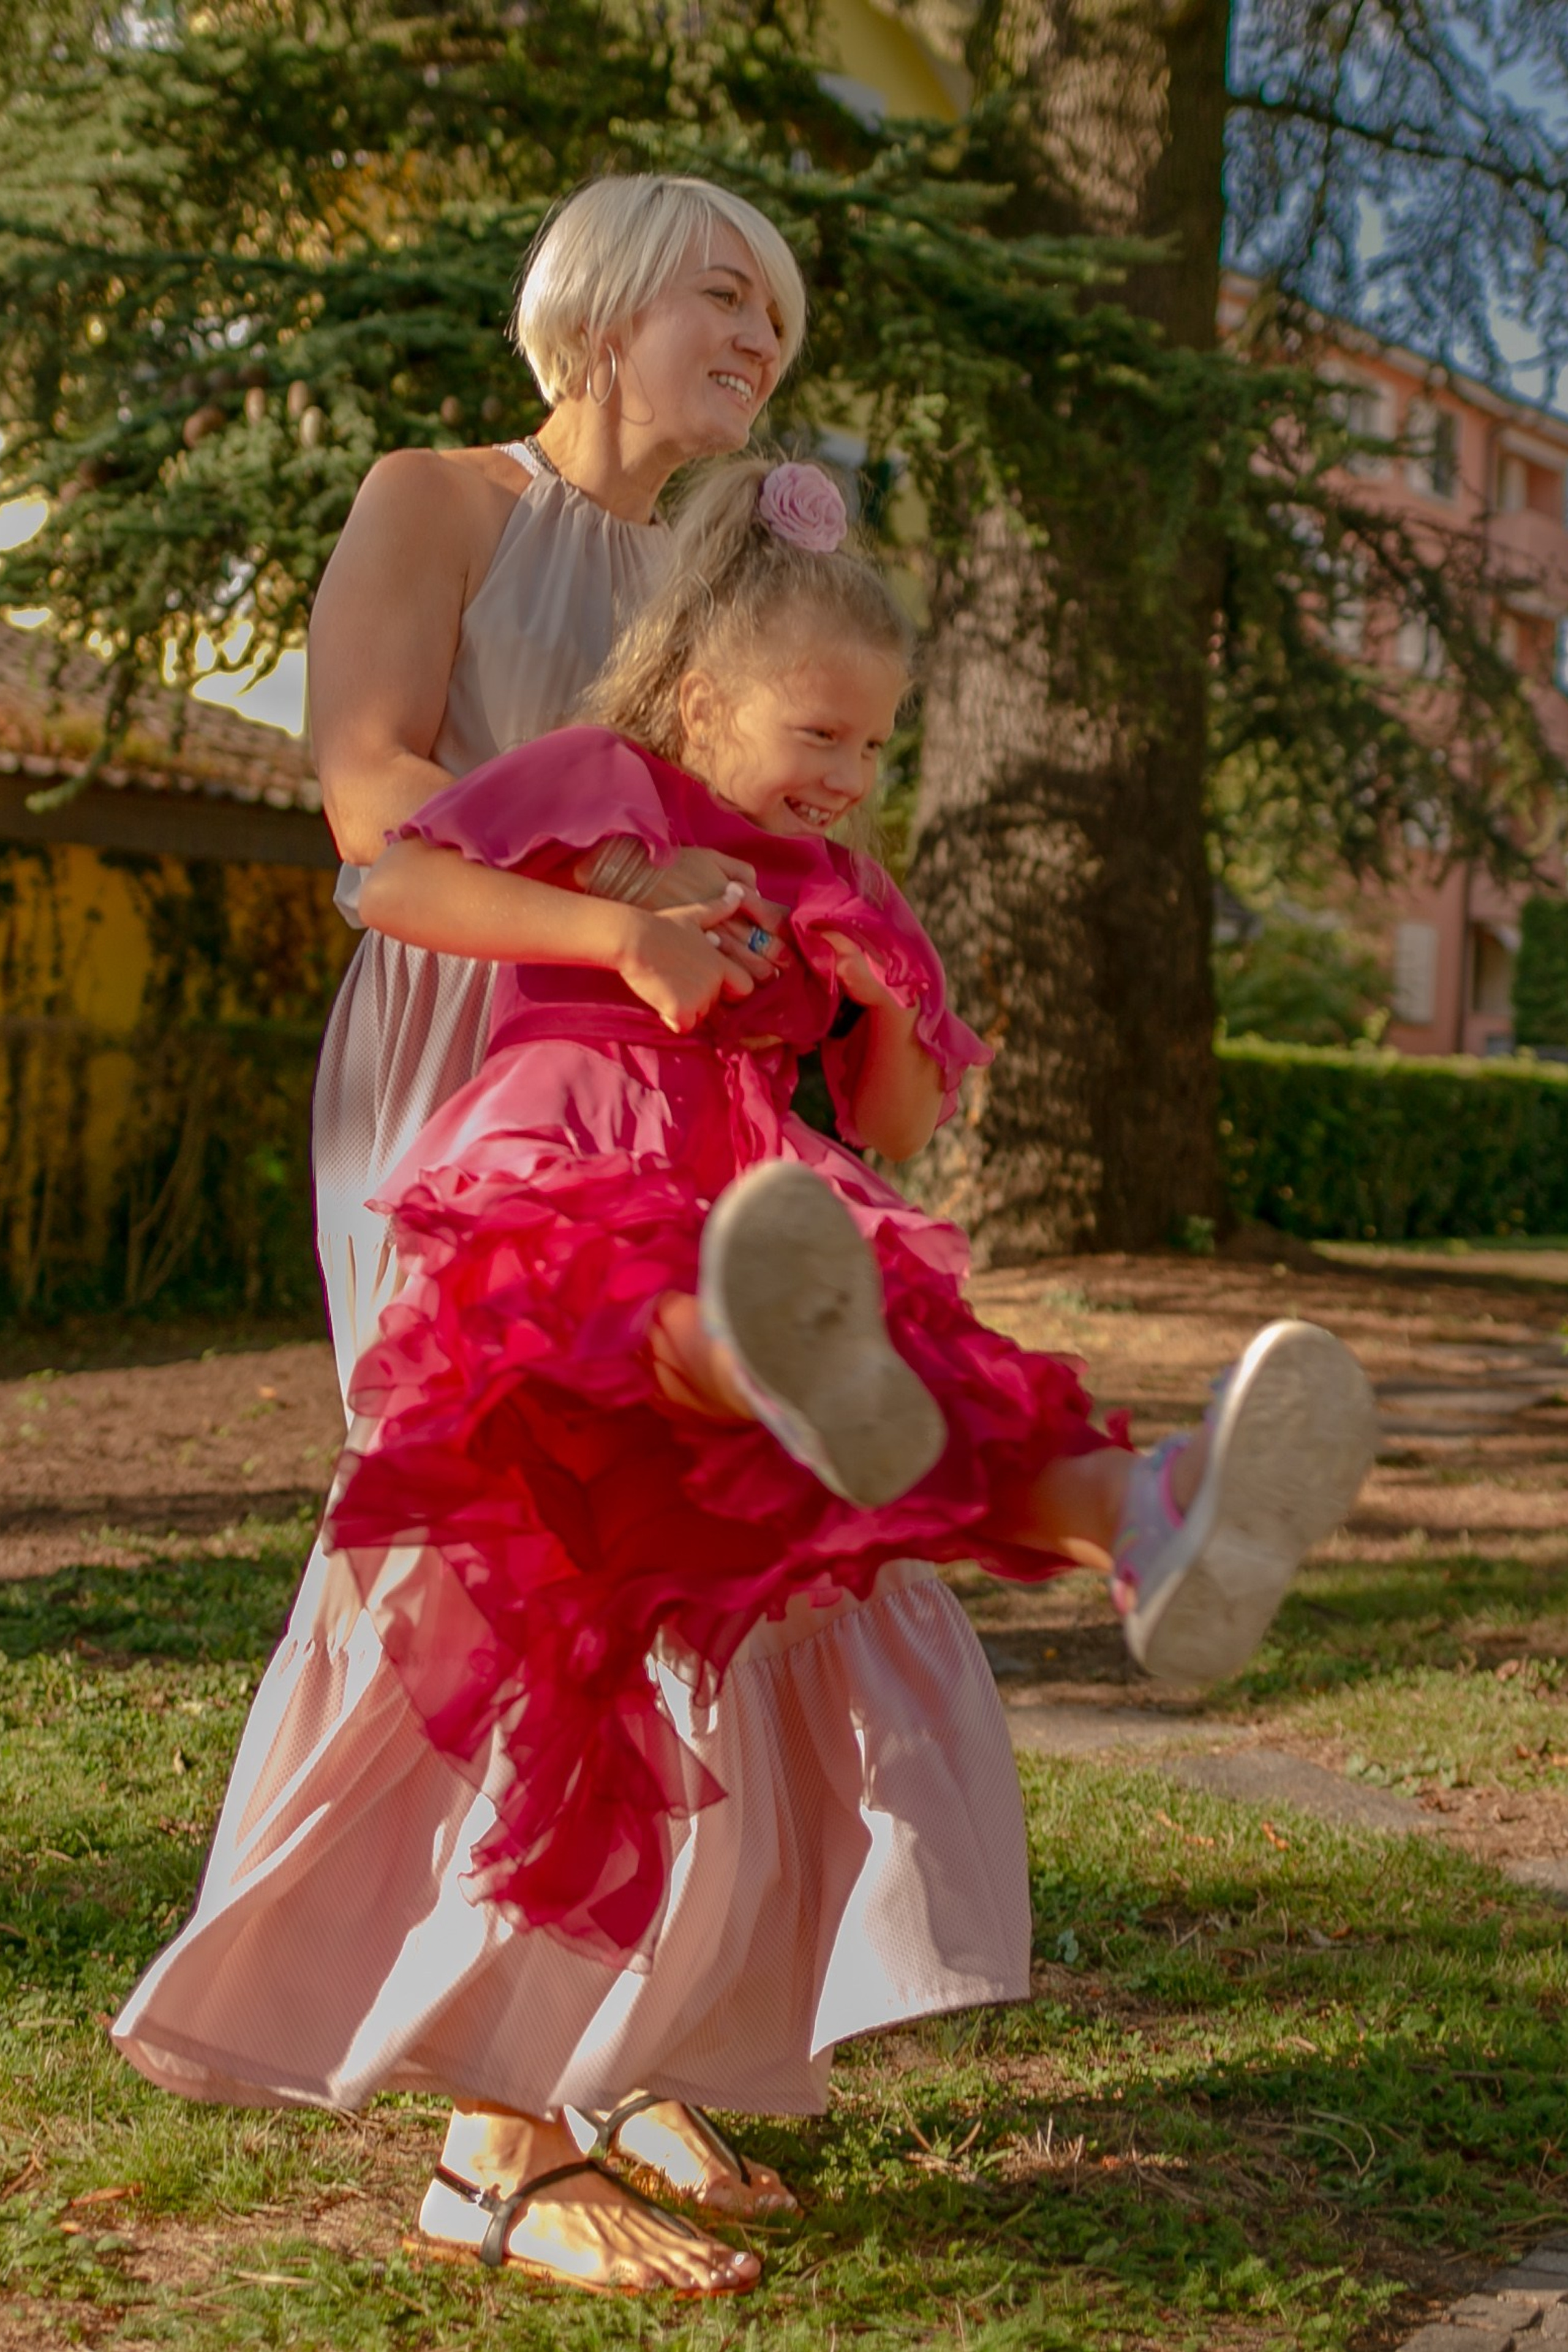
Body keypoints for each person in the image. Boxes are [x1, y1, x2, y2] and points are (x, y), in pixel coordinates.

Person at [305, 456, 1378, 2281]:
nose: (848, 779)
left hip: (767, 1203)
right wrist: (618, 928)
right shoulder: (601, 786)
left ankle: (1147, 1517)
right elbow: (391, 882)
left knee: (905, 1387)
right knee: (608, 1581)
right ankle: (489, 2154)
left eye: (879, 750)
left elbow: (890, 1120)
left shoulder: (841, 874)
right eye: (822, 731)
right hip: (571, 1187)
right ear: (696, 685)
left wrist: (886, 1007)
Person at [113, 179, 829, 2298]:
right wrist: (621, 923)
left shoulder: (715, 568)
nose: (763, 340)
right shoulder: (437, 499)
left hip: (667, 1087)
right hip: (467, 1079)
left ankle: (597, 2054)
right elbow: (373, 828)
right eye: (728, 293)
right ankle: (487, 2154)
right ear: (600, 301)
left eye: (780, 319)